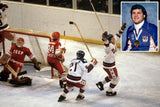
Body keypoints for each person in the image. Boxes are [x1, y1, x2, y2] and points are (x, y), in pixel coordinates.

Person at [96, 23, 126, 96]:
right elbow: (105, 43)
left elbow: (118, 35)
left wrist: (122, 29)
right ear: (109, 40)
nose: (114, 39)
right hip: (109, 65)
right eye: (112, 38)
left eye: (113, 38)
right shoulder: (109, 46)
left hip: (109, 64)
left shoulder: (113, 40)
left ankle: (101, 83)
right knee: (116, 78)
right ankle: (109, 91)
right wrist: (104, 38)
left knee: (110, 76)